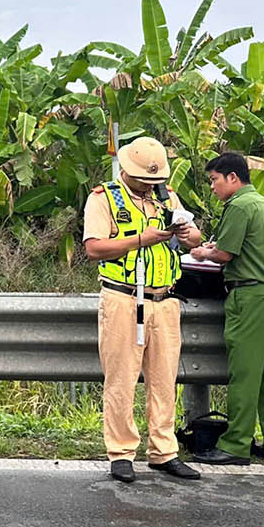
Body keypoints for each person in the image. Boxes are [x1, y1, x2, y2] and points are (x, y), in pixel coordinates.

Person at [82, 136, 203, 483]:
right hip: (122, 299)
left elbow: (194, 241)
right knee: (120, 378)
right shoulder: (103, 198)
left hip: (165, 300)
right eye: (145, 180)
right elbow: (93, 248)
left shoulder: (169, 197)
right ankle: (121, 452)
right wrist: (141, 240)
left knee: (164, 379)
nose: (153, 185)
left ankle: (164, 451)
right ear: (126, 171)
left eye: (156, 179)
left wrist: (187, 232)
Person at [190, 153, 264, 465]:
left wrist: (202, 252)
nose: (212, 187)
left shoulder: (237, 205)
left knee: (245, 373)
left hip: (249, 296)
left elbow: (225, 254)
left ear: (232, 178)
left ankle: (235, 444)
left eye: (214, 180)